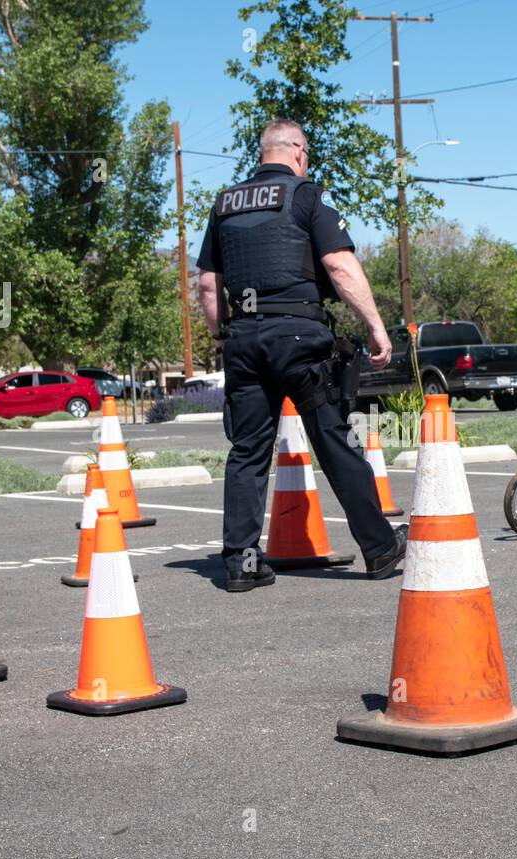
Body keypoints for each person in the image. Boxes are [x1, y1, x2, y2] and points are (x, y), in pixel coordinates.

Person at [195, 118, 407, 592]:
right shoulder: (307, 194)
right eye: (305, 155)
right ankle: (378, 549)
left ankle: (240, 565)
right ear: (296, 150)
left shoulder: (223, 204)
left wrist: (223, 335)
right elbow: (338, 263)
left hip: (244, 341)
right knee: (334, 440)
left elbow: (209, 283)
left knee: (248, 450)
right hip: (298, 339)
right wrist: (375, 326)